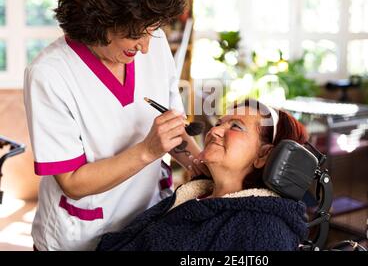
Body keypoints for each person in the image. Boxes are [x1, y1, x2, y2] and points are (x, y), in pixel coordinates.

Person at [23, 0, 208, 251]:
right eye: (135, 35)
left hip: (147, 226)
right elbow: (72, 182)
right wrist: (148, 150)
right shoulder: (49, 74)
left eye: (152, 30)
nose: (147, 46)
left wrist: (200, 164)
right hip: (83, 236)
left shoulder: (154, 40)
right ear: (96, 24)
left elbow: (173, 129)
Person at [96, 99, 310, 251]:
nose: (213, 131)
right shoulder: (192, 198)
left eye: (235, 126)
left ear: (264, 155)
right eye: (219, 123)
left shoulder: (264, 231)